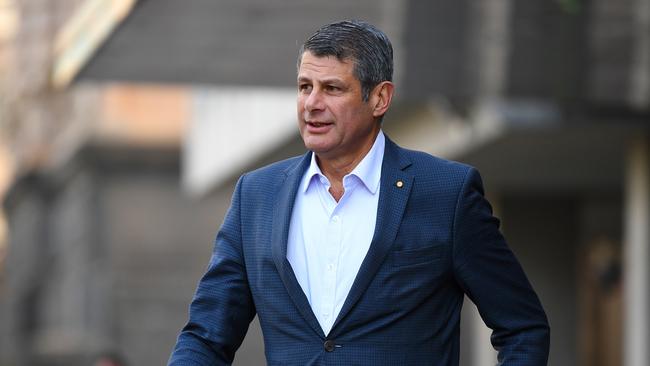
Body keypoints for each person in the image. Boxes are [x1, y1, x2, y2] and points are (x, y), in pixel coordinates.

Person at [169, 20, 549, 365]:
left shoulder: (447, 193)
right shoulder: (256, 195)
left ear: (379, 98)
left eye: (332, 88)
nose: (312, 104)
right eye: (305, 87)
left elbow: (522, 329)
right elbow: (206, 337)